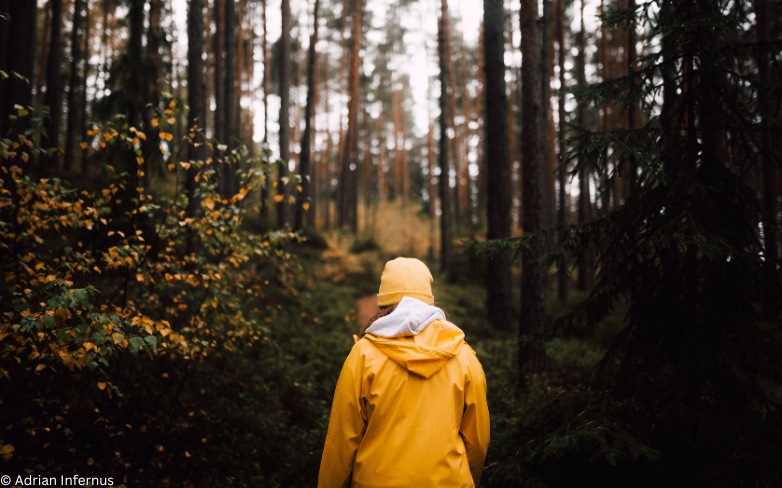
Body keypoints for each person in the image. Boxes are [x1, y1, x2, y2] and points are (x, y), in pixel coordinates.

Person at [318, 257, 490, 488]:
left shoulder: (363, 355)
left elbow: (342, 440)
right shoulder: (463, 356)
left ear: (384, 302)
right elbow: (477, 441)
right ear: (428, 301)